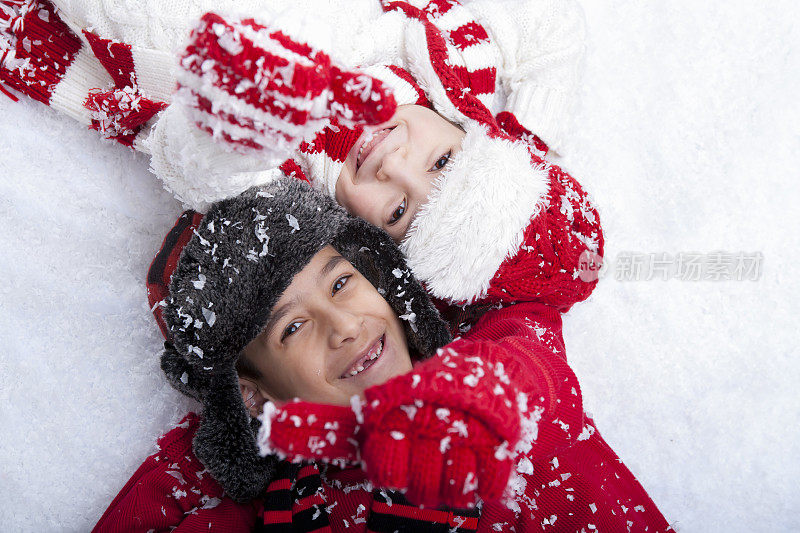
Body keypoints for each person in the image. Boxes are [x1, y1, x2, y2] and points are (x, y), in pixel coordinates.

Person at [95, 178, 671, 532]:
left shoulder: (499, 350)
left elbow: (557, 261)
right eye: (292, 327)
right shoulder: (277, 503)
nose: (344, 326)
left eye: (341, 283)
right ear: (255, 393)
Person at [1, 0, 600, 320]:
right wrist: (531, 136)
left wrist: (241, 131)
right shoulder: (452, 58)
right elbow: (549, 30)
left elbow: (188, 165)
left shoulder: (286, 194)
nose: (395, 162)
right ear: (470, 127)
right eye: (441, 162)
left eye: (396, 209)